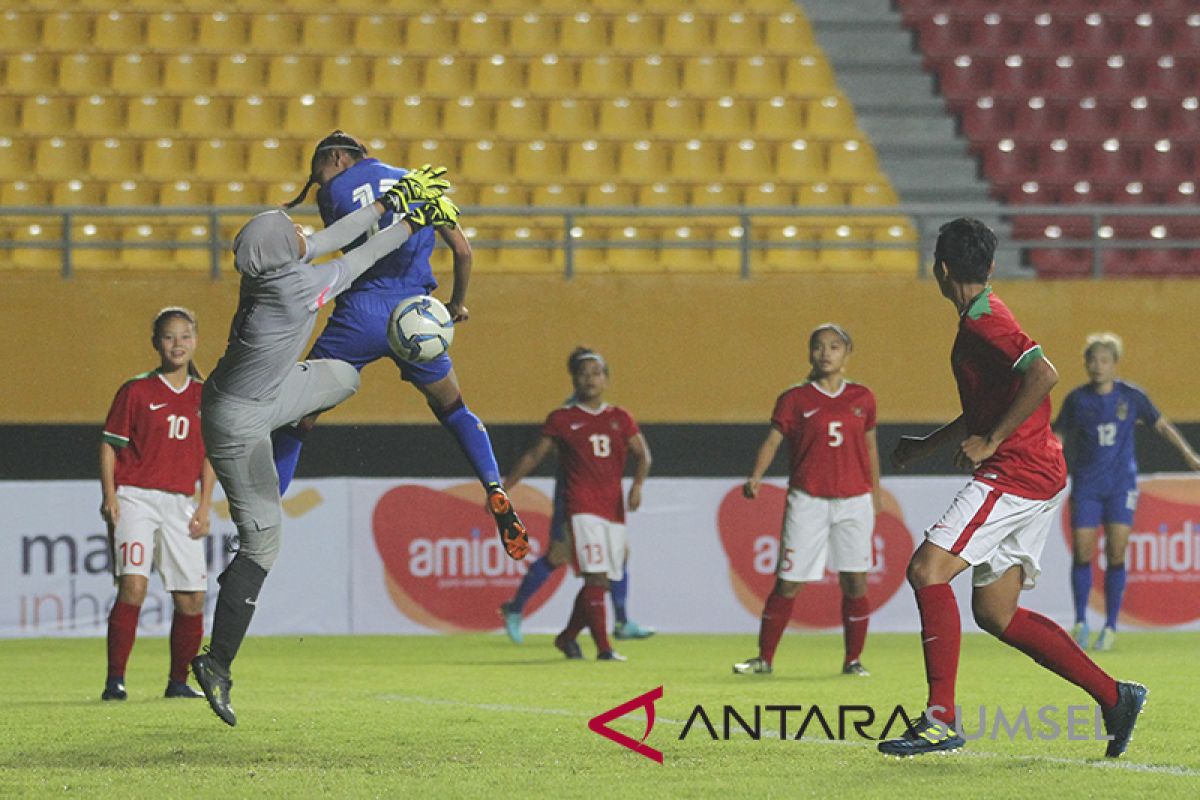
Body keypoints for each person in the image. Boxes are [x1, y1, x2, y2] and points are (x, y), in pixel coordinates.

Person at [190, 166, 469, 727]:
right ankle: (217, 661)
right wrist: (408, 216)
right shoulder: (294, 292)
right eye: (289, 229)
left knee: (344, 377)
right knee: (262, 545)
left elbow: (329, 241)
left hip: (259, 389)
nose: (298, 228)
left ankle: (287, 447)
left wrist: (395, 202)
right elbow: (357, 259)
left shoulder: (273, 268)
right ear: (278, 251)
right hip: (239, 420)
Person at [876, 218, 1146, 758]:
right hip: (1038, 470)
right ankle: (1115, 697)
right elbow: (997, 401)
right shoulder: (980, 317)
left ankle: (939, 719)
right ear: (991, 266)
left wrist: (993, 439)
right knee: (995, 614)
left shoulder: (984, 321)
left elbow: (1044, 373)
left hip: (1016, 470)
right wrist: (928, 444)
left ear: (941, 270)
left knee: (927, 570)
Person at [274, 131, 527, 559]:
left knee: (298, 419)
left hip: (359, 313)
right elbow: (463, 253)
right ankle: (493, 485)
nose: (317, 182)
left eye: (318, 172)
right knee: (454, 409)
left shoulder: (335, 191)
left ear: (337, 157)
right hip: (417, 315)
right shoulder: (417, 181)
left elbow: (340, 243)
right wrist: (457, 305)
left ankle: (267, 511)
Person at [732, 324, 880, 678]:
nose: (825, 353)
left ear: (847, 354)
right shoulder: (795, 399)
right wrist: (755, 476)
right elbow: (772, 441)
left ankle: (853, 660)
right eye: (818, 346)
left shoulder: (863, 398)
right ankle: (764, 658)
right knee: (788, 580)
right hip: (808, 499)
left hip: (854, 500)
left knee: (855, 582)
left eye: (834, 347)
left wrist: (875, 492)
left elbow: (870, 446)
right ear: (809, 353)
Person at [503, 348, 651, 661]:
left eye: (596, 373)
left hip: (613, 510)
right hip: (580, 507)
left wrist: (637, 486)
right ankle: (605, 649)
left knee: (604, 581)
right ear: (574, 380)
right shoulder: (562, 419)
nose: (590, 378)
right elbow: (534, 455)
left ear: (607, 380)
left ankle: (568, 637)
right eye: (584, 373)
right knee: (595, 576)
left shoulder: (620, 417)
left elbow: (644, 455)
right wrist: (504, 488)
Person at [1055, 332, 1200, 651]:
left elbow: (1161, 425)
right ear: (1086, 364)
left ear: (1115, 364)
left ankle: (1109, 627)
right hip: (1087, 485)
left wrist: (1188, 454)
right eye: (1092, 360)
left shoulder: (1131, 397)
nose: (1097, 366)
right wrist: (1049, 461)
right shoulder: (1077, 399)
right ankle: (1080, 621)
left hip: (1121, 486)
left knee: (1116, 554)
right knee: (1082, 552)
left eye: (1104, 360)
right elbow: (1059, 435)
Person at [100, 307, 216, 701]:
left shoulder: (205, 396)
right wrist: (110, 496)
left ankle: (178, 683)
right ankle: (115, 680)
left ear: (196, 341)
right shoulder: (136, 390)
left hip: (182, 502)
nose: (177, 344)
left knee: (192, 598)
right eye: (169, 337)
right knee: (133, 585)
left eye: (185, 336)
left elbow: (209, 456)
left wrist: (205, 506)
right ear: (156, 342)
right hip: (136, 497)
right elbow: (109, 445)